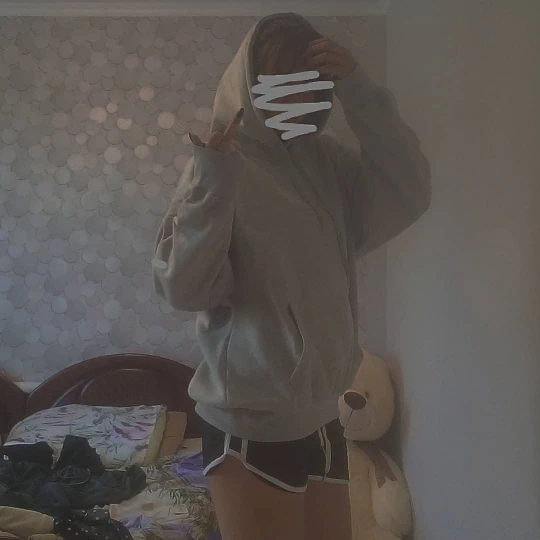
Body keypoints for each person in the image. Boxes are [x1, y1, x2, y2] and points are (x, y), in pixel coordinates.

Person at [152, 12, 431, 540]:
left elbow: (409, 189)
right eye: (283, 80)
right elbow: (183, 288)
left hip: (322, 417)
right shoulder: (219, 166)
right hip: (250, 426)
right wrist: (212, 180)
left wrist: (359, 89)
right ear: (253, 83)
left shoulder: (326, 162)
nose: (300, 95)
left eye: (312, 81)